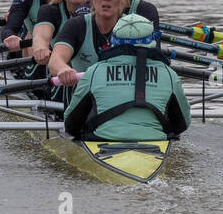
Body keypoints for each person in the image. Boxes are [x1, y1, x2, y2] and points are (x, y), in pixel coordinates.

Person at [62, 14, 191, 141]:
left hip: (104, 139)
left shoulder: (94, 71)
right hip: (154, 141)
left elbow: (71, 125)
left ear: (113, 40)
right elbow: (182, 124)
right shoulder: (169, 74)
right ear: (152, 40)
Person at [47, 0, 133, 84]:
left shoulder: (133, 26)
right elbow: (55, 60)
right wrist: (63, 69)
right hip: (83, 97)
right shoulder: (76, 25)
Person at [30, 0, 92, 66]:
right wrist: (40, 48)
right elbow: (41, 35)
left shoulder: (103, 8)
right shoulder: (50, 11)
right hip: (63, 75)